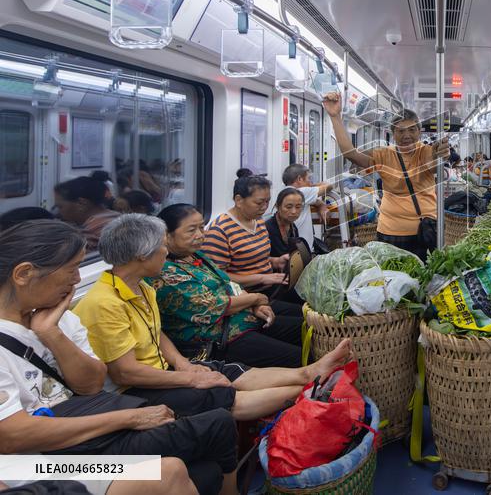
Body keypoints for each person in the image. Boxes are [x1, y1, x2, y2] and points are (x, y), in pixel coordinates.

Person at [0, 220, 240, 495]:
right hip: (38, 462)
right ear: (24, 274)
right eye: (71, 269)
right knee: (171, 469)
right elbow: (12, 436)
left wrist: (51, 334)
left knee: (206, 466)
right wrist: (130, 419)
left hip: (84, 427)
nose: (78, 279)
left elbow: (90, 386)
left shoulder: (56, 319)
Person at [73, 215, 352, 421]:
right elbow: (126, 372)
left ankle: (308, 374)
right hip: (138, 387)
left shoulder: (142, 286)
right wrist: (190, 379)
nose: (165, 252)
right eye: (160, 247)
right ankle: (310, 389)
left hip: (167, 368)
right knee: (222, 391)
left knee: (229, 372)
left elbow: (156, 333)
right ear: (140, 255)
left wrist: (183, 365)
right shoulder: (104, 303)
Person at [157, 204, 303, 368]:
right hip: (219, 340)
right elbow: (215, 306)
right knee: (299, 356)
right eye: (191, 230)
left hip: (244, 319)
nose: (200, 235)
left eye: (201, 228)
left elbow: (228, 283)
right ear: (166, 236)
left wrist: (254, 305)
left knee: (304, 328)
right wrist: (256, 298)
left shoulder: (195, 255)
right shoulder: (166, 272)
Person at [323, 92, 449, 261]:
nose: (406, 136)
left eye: (412, 130)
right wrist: (335, 117)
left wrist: (441, 154)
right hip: (390, 233)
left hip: (424, 232)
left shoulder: (426, 152)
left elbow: (434, 163)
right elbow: (350, 154)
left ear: (419, 132)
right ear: (392, 133)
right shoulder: (383, 155)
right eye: (400, 131)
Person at [201, 175, 292, 297]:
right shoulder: (219, 230)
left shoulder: (258, 221)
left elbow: (251, 260)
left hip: (269, 286)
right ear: (238, 200)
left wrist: (276, 262)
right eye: (259, 202)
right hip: (246, 294)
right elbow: (217, 276)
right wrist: (262, 278)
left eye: (268, 201)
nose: (265, 207)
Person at [53, 177, 120, 251]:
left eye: (60, 207)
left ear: (81, 203)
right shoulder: (118, 218)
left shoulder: (91, 234)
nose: (57, 212)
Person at [275, 164, 331, 249]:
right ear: (299, 179)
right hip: (299, 251)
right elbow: (328, 186)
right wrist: (312, 186)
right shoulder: (301, 191)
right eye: (309, 178)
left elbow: (314, 201)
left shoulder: (284, 192)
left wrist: (321, 205)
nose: (310, 182)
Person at [265, 187, 305, 259]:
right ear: (278, 206)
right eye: (288, 207)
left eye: (298, 207)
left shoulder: (293, 228)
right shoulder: (267, 229)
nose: (294, 211)